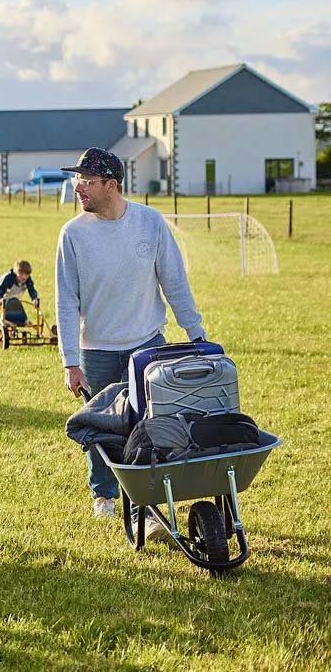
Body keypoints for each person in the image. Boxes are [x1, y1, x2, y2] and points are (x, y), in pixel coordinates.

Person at [54, 147, 206, 522]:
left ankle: (145, 504)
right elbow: (66, 300)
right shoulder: (73, 234)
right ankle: (103, 495)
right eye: (77, 180)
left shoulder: (150, 223)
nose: (78, 187)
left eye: (87, 181)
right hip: (96, 351)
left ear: (112, 185)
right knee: (101, 428)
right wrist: (70, 361)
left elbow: (175, 283)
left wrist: (197, 335)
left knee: (149, 426)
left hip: (147, 345)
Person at [0, 260, 40, 337]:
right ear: (16, 273)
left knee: (13, 305)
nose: (24, 277)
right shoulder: (8, 279)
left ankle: (12, 326)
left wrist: (34, 298)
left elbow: (32, 290)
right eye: (21, 274)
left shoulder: (28, 280)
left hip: (15, 291)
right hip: (0, 289)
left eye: (27, 274)